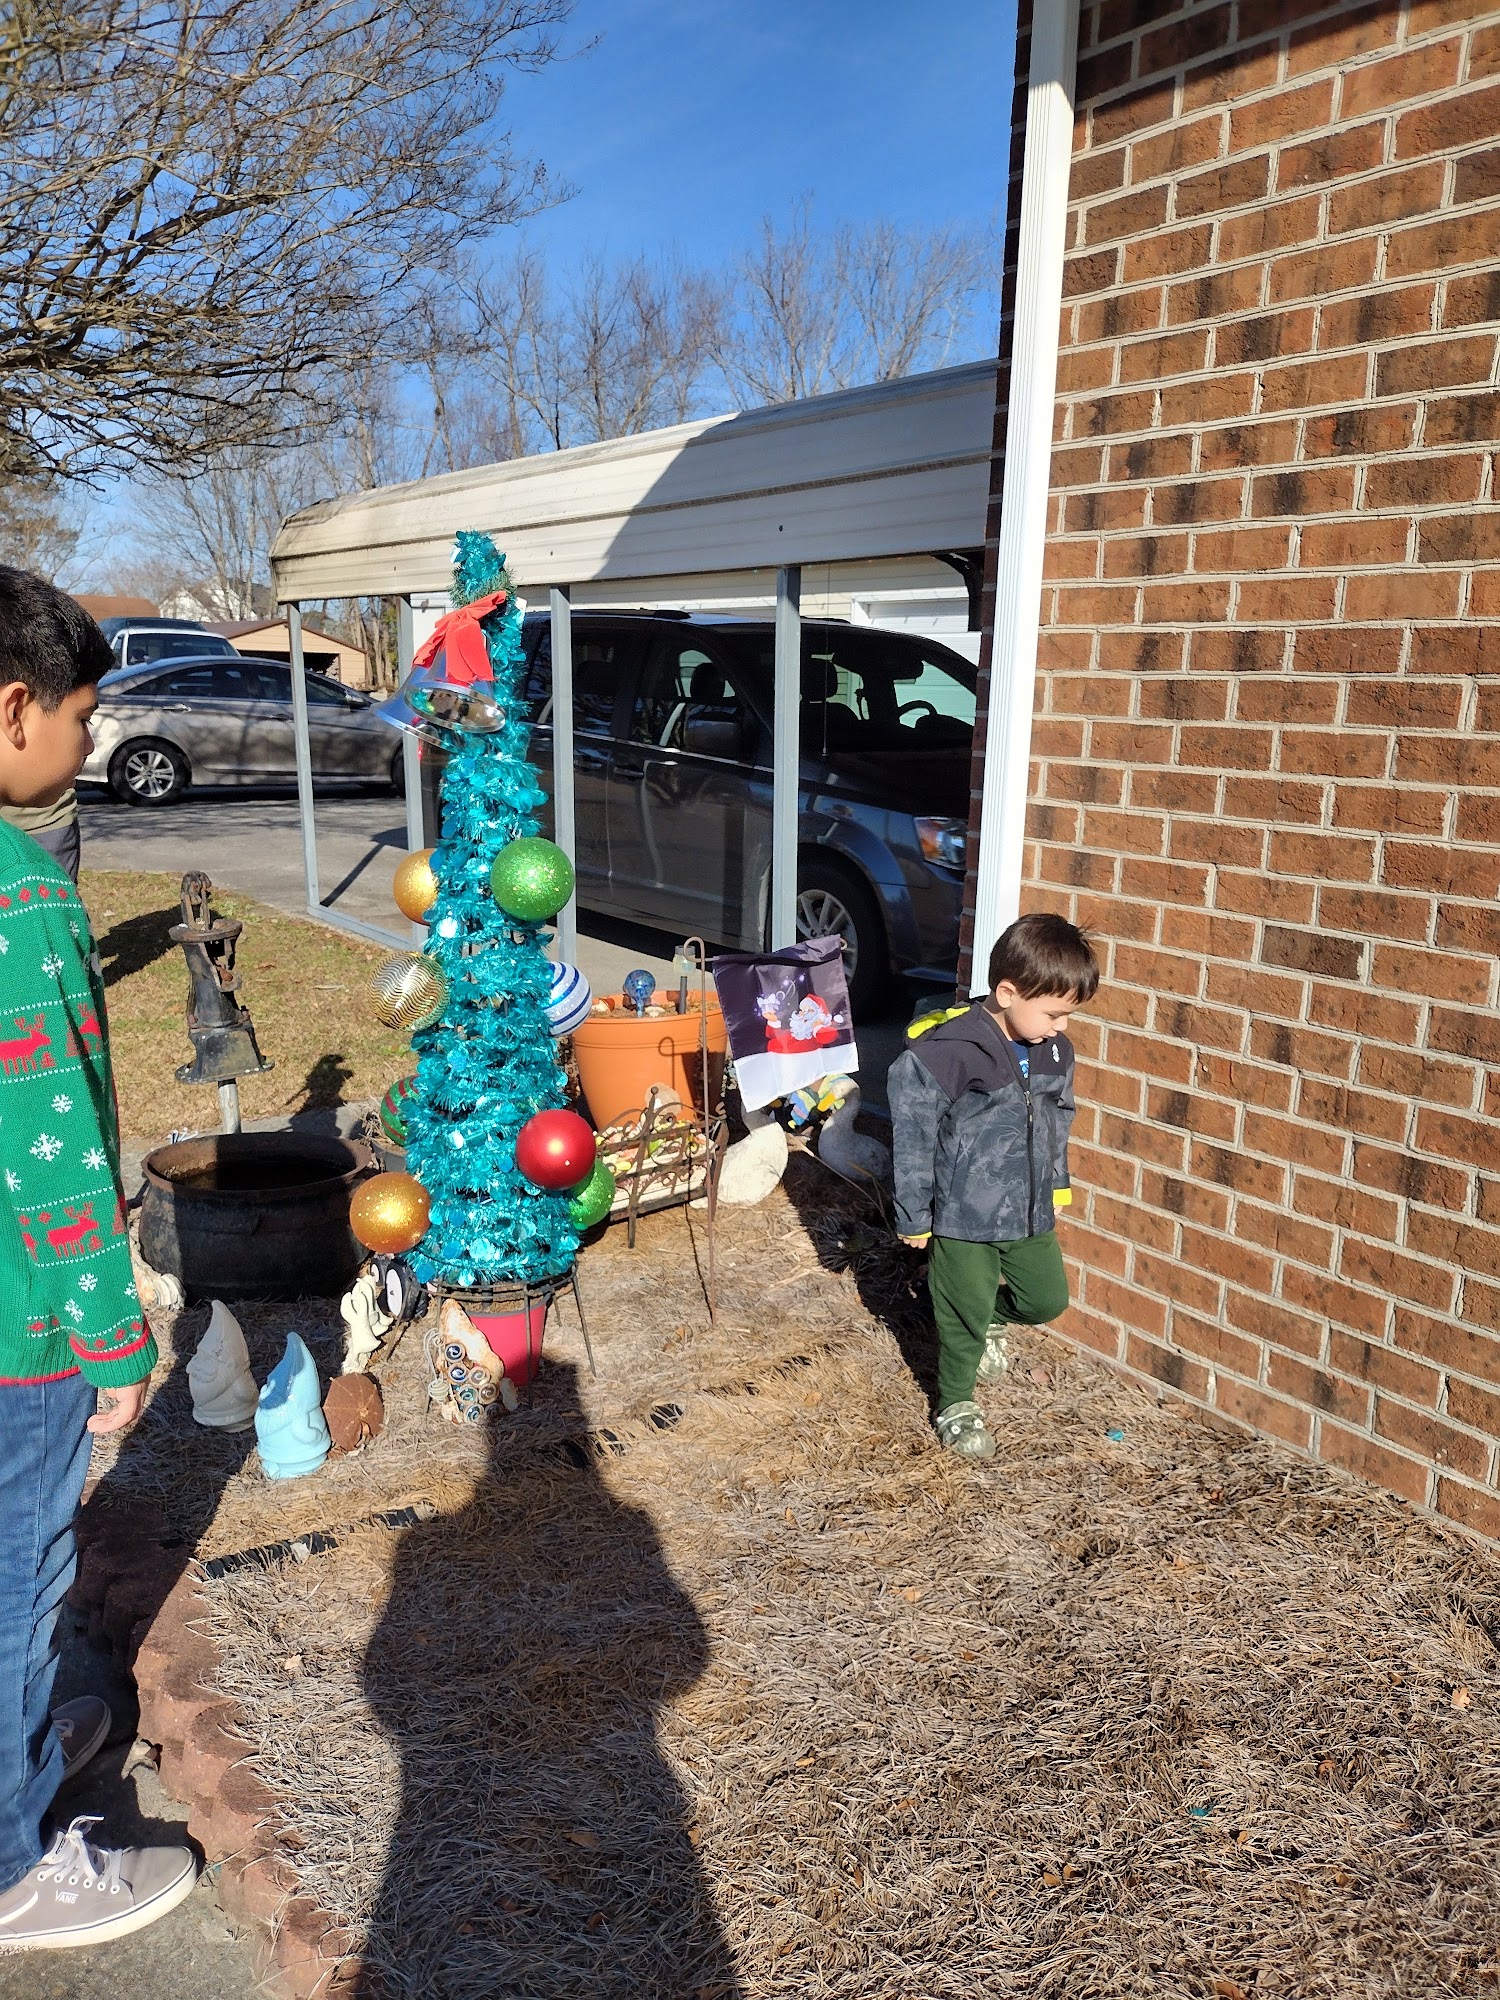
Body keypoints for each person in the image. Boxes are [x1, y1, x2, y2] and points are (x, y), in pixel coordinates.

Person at [0, 567, 197, 1948]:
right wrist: (114, 1347)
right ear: (15, 710)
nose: (87, 743)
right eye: (81, 714)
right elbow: (54, 1153)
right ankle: (16, 1867)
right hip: (16, 1338)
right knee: (17, 1580)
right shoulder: (25, 903)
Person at [888, 912, 1099, 1462]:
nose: (1061, 1027)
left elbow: (1059, 1118)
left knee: (1047, 1299)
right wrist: (915, 1215)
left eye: (1068, 1015)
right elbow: (913, 1132)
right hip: (963, 1213)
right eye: (1053, 1013)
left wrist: (1056, 1182)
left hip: (1028, 1210)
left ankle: (990, 1320)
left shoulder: (1054, 1050)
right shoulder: (950, 1049)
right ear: (1007, 992)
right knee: (961, 1314)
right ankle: (955, 1402)